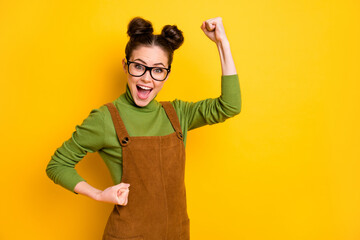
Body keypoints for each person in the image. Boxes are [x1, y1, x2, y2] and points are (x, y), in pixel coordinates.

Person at [46, 16, 241, 240]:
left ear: (167, 73)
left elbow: (230, 105)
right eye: (139, 66)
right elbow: (57, 165)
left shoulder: (178, 114)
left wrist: (221, 42)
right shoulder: (105, 119)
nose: (147, 78)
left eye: (157, 70)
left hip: (177, 234)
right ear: (125, 65)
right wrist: (99, 194)